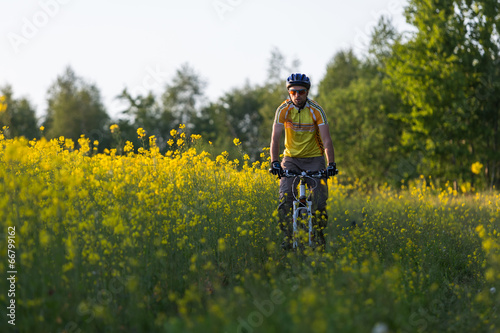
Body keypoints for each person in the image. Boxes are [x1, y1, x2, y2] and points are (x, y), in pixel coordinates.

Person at [269, 73, 337, 250]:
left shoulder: (316, 110)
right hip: (291, 159)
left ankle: (319, 237)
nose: (297, 96)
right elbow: (275, 138)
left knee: (320, 202)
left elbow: (327, 140)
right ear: (289, 93)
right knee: (285, 200)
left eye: (301, 92)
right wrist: (274, 162)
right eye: (293, 92)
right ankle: (288, 238)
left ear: (307, 92)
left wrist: (331, 164)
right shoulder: (283, 110)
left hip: (314, 159)